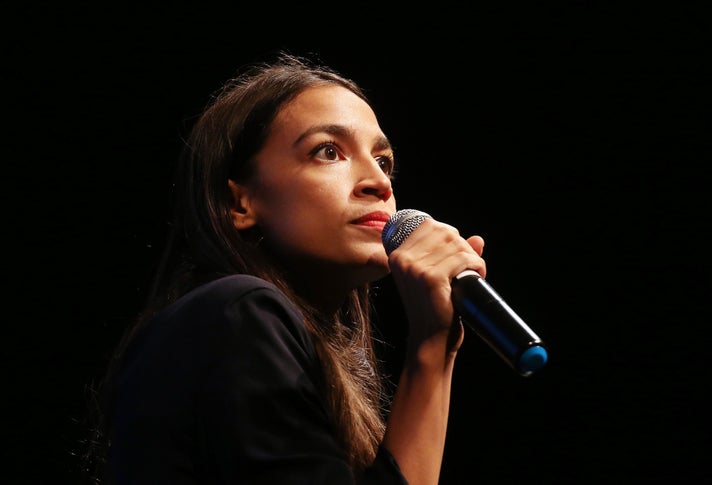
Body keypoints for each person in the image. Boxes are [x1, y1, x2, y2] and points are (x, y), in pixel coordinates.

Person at [82, 51, 487, 485]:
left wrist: (435, 345)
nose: (380, 182)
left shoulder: (251, 325)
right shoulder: (239, 310)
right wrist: (428, 348)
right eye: (328, 152)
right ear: (241, 202)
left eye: (384, 161)